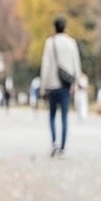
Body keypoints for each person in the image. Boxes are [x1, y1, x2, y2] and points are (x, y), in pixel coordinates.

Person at [40, 15, 81, 158]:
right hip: (65, 85)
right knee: (64, 116)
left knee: (51, 115)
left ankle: (54, 142)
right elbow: (76, 65)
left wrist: (43, 86)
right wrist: (75, 83)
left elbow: (45, 66)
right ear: (65, 27)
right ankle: (62, 147)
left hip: (52, 84)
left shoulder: (49, 43)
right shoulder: (71, 43)